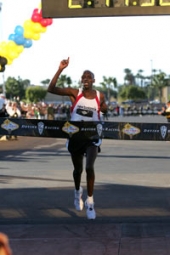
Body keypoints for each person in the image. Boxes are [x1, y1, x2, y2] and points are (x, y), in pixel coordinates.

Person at [47, 57, 107, 219]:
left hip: (92, 136)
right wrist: (60, 69)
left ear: (94, 80)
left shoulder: (99, 96)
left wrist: (104, 109)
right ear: (81, 80)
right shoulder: (75, 93)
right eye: (83, 77)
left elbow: (104, 109)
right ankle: (76, 192)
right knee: (78, 170)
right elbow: (51, 89)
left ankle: (90, 202)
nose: (85, 79)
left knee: (89, 168)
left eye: (88, 77)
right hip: (75, 136)